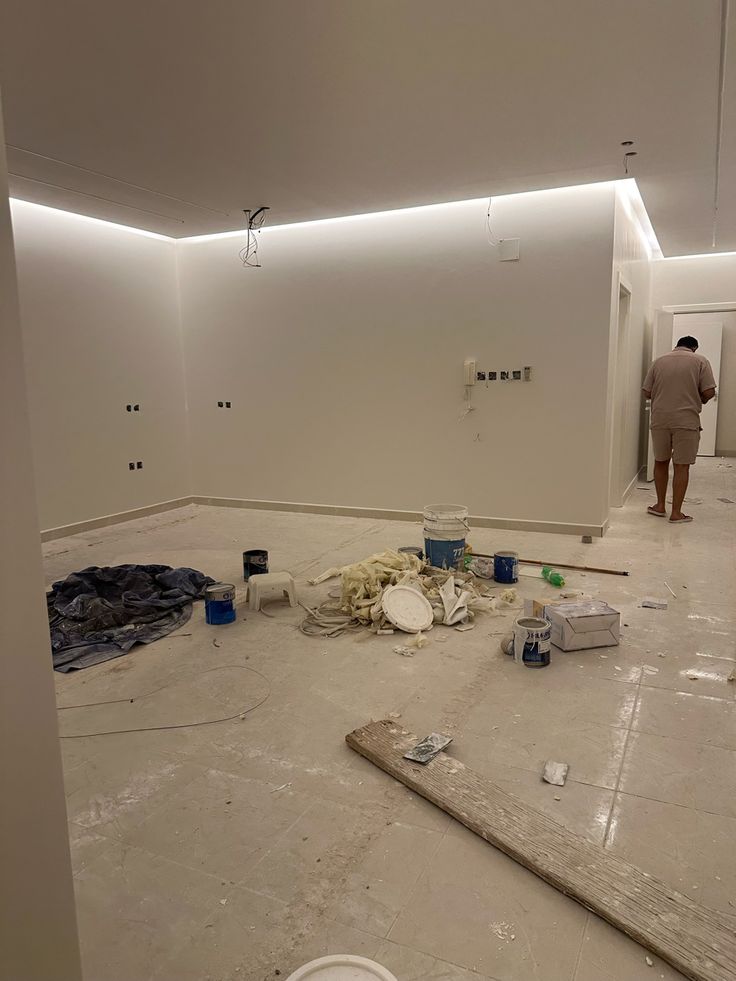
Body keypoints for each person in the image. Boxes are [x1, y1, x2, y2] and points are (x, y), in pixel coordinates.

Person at [642, 335, 716, 523]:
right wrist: (699, 398)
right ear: (694, 348)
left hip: (660, 419)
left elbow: (646, 392)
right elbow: (709, 391)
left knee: (660, 461)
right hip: (686, 420)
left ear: (677, 345)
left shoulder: (658, 362)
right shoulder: (700, 361)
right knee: (681, 466)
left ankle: (660, 506)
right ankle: (676, 513)